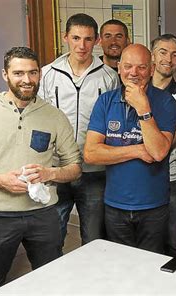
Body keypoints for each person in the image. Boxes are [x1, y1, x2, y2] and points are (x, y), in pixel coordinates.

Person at [0, 47, 81, 288]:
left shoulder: (54, 116)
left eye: (33, 73)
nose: (27, 80)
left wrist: (50, 173)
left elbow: (75, 167)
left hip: (43, 214)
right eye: (19, 73)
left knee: (52, 281)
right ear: (5, 74)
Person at [83, 44, 176, 254]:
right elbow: (91, 154)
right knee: (120, 264)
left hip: (153, 205)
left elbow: (159, 151)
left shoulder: (165, 103)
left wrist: (143, 108)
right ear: (119, 67)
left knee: (151, 266)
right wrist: (136, 150)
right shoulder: (106, 101)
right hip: (115, 204)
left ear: (152, 69)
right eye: (127, 66)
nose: (133, 73)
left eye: (141, 67)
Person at [38, 13, 120, 246]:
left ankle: (92, 280)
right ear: (65, 38)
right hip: (57, 167)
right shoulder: (47, 74)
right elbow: (40, 119)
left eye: (87, 39)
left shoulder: (109, 77)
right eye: (75, 38)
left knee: (94, 237)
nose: (81, 46)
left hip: (94, 170)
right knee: (51, 236)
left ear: (96, 41)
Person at [150, 33, 176, 258]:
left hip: (169, 177)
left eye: (175, 54)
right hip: (136, 175)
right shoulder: (135, 89)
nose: (168, 59)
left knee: (173, 239)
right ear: (152, 55)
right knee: (144, 239)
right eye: (163, 52)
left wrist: (151, 149)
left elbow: (175, 137)